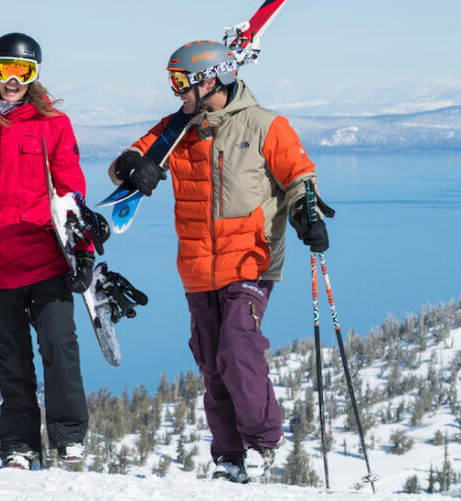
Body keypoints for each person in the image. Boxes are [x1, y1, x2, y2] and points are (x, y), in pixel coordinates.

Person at [109, 40, 331, 482]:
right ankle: (229, 459)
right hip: (196, 266)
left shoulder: (266, 124)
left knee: (237, 345)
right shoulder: (177, 130)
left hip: (250, 260)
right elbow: (121, 168)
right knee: (212, 360)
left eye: (180, 83)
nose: (176, 93)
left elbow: (299, 175)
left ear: (208, 80)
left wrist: (306, 209)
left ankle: (264, 442)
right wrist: (133, 168)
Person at [0, 33, 93, 470]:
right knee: (13, 356)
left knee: (59, 345)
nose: (12, 80)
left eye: (22, 71)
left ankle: (68, 437)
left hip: (45, 257)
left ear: (35, 75)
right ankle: (19, 446)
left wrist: (81, 249)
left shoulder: (54, 124)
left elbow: (70, 191)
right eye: (4, 69)